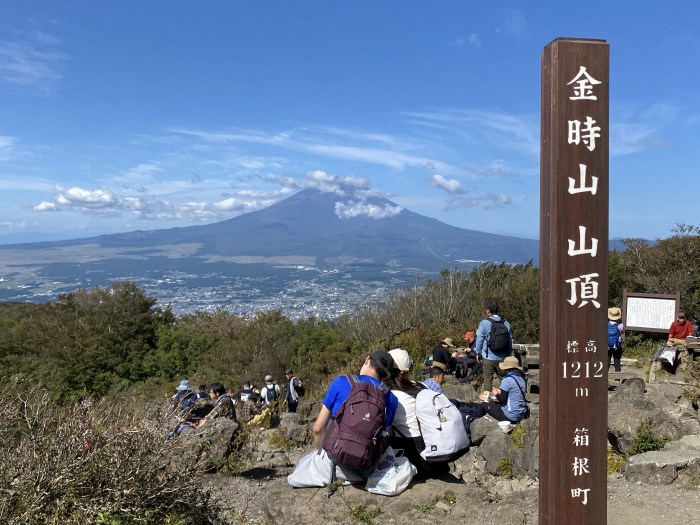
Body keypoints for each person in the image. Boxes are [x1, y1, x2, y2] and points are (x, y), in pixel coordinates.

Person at [288, 350, 399, 487]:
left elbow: (318, 428)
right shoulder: (392, 399)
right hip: (365, 469)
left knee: (301, 465)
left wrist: (319, 451)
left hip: (333, 465)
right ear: (386, 377)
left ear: (367, 360)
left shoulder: (341, 382)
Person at [387, 348, 446, 478]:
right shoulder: (421, 387)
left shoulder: (391, 396)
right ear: (410, 369)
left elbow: (385, 427)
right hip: (434, 453)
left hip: (414, 458)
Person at [463, 356, 528, 423]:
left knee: (484, 404)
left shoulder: (507, 380)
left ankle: (475, 419)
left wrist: (496, 393)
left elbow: (502, 399)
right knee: (492, 403)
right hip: (521, 414)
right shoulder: (521, 379)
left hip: (509, 416)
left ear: (506, 368)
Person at [475, 302, 513, 393]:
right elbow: (510, 340)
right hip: (502, 357)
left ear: (488, 311)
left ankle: (487, 403)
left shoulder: (484, 323)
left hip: (488, 357)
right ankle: (505, 400)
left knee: (488, 381)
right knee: (503, 379)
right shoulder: (506, 323)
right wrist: (508, 353)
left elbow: (479, 339)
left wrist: (478, 352)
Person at [607, 307, 625, 372]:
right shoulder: (620, 325)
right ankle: (617, 378)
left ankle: (605, 377)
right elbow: (622, 332)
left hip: (608, 346)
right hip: (617, 346)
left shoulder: (606, 324)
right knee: (617, 362)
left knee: (607, 362)